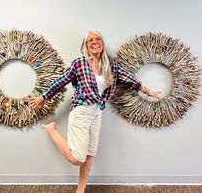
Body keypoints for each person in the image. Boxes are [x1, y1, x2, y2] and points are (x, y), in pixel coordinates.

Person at [29, 31, 161, 193]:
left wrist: (150, 92)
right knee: (77, 158)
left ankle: (80, 190)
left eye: (97, 39)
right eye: (90, 40)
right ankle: (51, 129)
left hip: (97, 112)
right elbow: (60, 81)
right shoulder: (79, 64)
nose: (94, 42)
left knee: (89, 157)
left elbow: (131, 80)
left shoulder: (113, 66)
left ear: (102, 43)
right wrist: (43, 97)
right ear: (86, 46)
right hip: (82, 111)